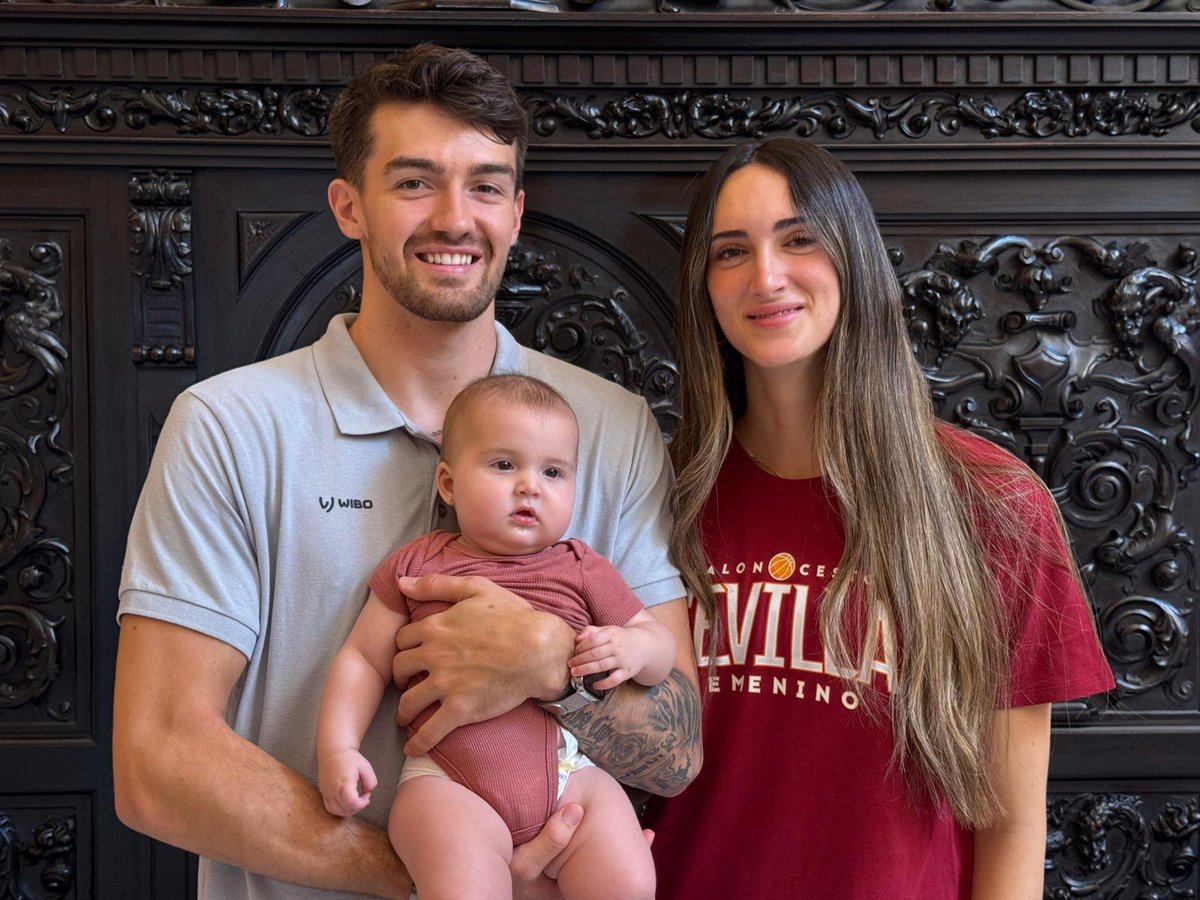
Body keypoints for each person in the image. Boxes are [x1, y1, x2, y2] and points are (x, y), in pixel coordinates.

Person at [112, 44, 700, 900]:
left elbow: (679, 751)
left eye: (487, 186)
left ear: (517, 211)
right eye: (416, 182)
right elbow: (157, 760)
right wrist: (442, 874)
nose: (455, 218)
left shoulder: (609, 426)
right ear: (350, 206)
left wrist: (548, 664)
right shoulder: (231, 428)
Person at [647, 138, 1115, 899]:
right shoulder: (658, 494)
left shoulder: (991, 501)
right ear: (703, 286)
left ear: (854, 259)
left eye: (799, 239)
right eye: (730, 251)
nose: (766, 276)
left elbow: (1012, 823)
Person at [318, 374, 670, 899]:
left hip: (567, 772)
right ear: (449, 484)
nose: (530, 485)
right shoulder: (419, 563)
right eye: (504, 465)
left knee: (631, 880)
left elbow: (659, 650)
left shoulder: (582, 567)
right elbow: (364, 660)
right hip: (448, 782)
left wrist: (636, 648)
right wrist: (338, 748)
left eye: (553, 471)